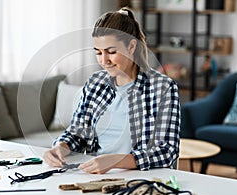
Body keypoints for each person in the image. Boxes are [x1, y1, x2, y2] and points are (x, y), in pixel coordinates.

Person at [43, 7, 180, 174]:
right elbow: (78, 132)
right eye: (98, 53)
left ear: (131, 46)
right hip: (95, 177)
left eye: (111, 52)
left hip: (142, 178)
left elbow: (167, 151)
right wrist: (60, 147)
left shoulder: (162, 88)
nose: (104, 61)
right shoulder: (95, 83)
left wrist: (116, 161)